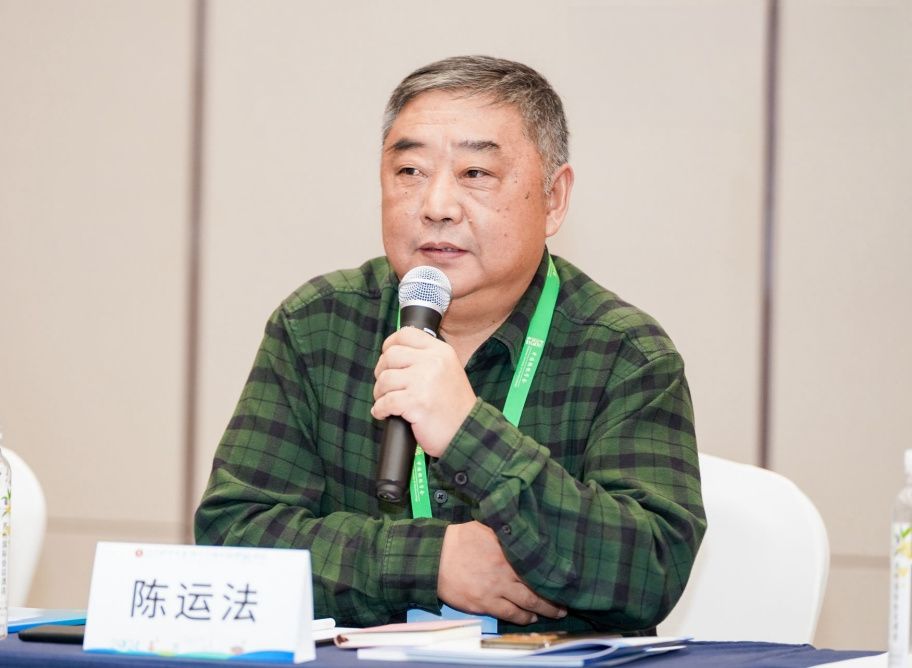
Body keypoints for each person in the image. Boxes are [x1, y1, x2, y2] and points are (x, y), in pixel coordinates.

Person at [195, 55, 705, 635]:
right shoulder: (318, 326)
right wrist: (430, 561)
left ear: (554, 198)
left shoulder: (625, 354)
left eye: (476, 173)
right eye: (410, 171)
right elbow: (233, 541)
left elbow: (650, 569)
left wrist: (469, 434)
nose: (436, 206)